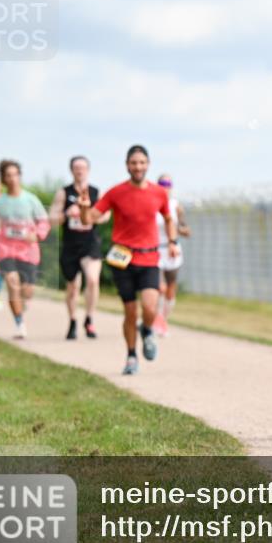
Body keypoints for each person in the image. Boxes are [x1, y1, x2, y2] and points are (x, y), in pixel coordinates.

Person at [78, 145, 179, 375]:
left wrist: (172, 242)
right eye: (134, 163)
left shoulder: (158, 193)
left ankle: (148, 329)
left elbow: (168, 219)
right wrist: (84, 209)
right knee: (130, 311)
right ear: (127, 165)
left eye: (142, 162)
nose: (138, 167)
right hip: (122, 259)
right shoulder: (116, 192)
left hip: (150, 257)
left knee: (150, 307)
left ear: (148, 164)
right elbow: (90, 218)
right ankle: (132, 356)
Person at [0, 160, 50, 339]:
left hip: (28, 251)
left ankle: (22, 304)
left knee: (27, 292)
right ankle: (19, 324)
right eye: (8, 175)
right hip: (6, 249)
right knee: (12, 283)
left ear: (20, 176)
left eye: (15, 174)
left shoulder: (31, 199)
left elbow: (43, 221)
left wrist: (38, 235)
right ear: (4, 179)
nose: (13, 178)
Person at [50, 155, 109, 340]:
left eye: (83, 167)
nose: (80, 170)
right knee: (73, 287)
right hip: (70, 245)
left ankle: (89, 320)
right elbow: (51, 219)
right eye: (76, 167)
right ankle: (73, 321)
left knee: (92, 280)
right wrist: (68, 214)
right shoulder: (63, 193)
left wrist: (89, 215)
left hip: (90, 243)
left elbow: (106, 216)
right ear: (71, 170)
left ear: (88, 170)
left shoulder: (95, 192)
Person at [152, 174, 190, 337]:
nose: (164, 186)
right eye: (162, 183)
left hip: (172, 249)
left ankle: (163, 319)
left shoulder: (176, 206)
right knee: (160, 287)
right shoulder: (152, 204)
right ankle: (156, 319)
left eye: (167, 183)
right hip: (155, 249)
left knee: (171, 288)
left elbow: (185, 229)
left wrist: (176, 230)